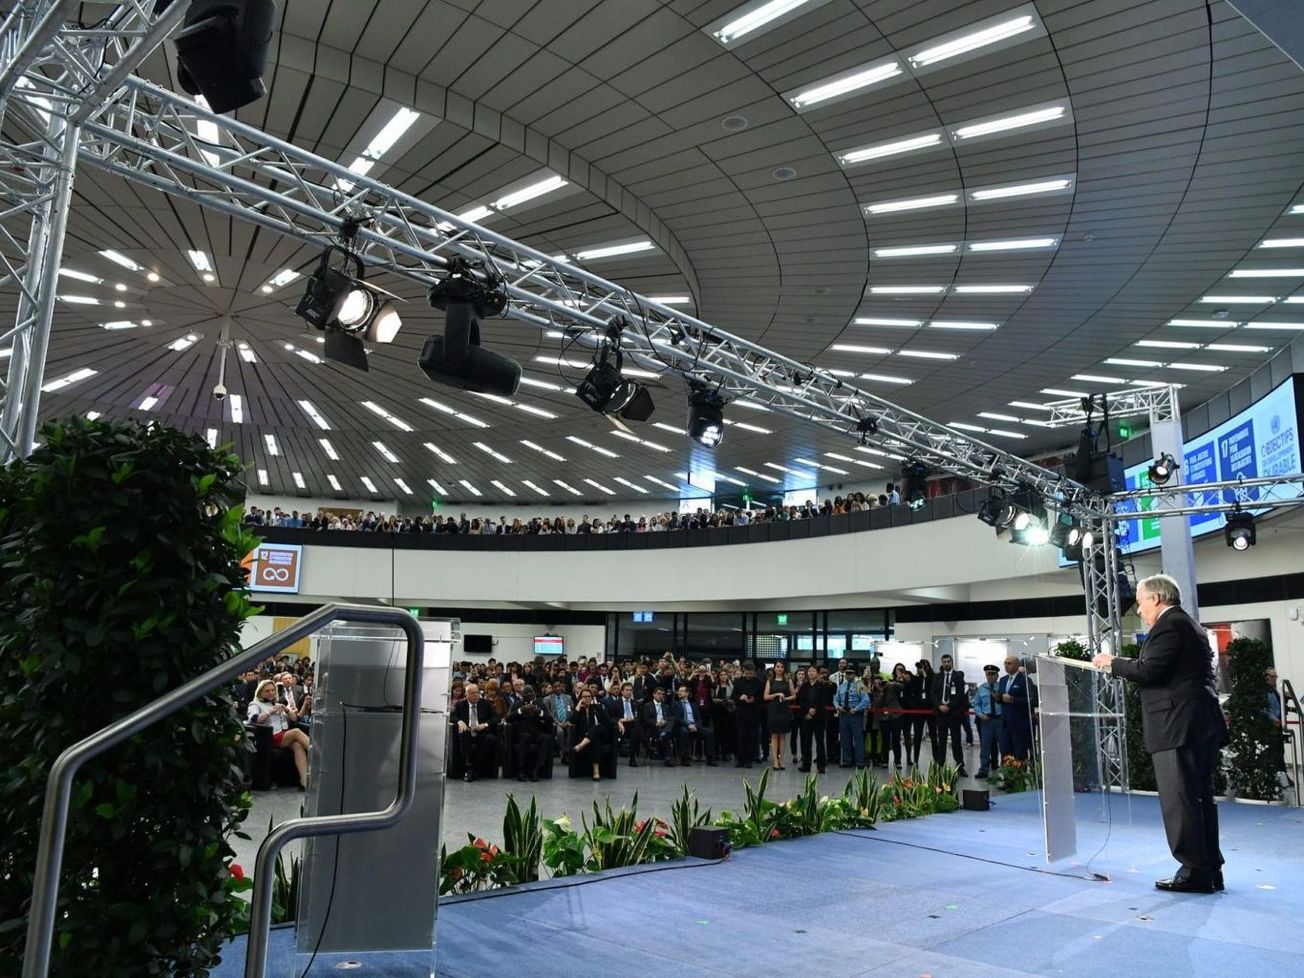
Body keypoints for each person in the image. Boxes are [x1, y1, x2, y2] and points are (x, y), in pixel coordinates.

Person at [1092, 573, 1228, 894]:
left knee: (1181, 801)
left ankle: (1194, 872)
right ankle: (1209, 869)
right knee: (1198, 800)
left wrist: (1113, 663)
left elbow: (1150, 670)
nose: (1139, 610)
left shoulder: (1170, 625)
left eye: (1140, 602)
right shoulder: (1187, 624)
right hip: (1195, 724)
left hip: (1177, 726)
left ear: (1156, 598)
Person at [247, 679, 311, 789]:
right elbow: (253, 719)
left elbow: (294, 719)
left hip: (283, 734)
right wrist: (270, 711)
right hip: (269, 736)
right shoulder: (255, 704)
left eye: (272, 690)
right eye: (267, 691)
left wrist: (287, 710)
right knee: (296, 732)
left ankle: (304, 781)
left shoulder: (277, 704)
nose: (271, 693)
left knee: (297, 745)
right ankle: (318, 754)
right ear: (260, 692)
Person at [929, 654, 968, 775]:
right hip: (941, 713)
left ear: (952, 662)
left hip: (954, 713)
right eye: (944, 661)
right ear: (942, 663)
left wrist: (949, 706)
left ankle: (960, 766)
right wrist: (939, 706)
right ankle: (940, 764)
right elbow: (933, 694)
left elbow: (960, 695)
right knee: (941, 740)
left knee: (956, 740)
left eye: (948, 661)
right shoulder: (937, 677)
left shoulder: (958, 676)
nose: (946, 663)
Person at [452, 683, 499, 782]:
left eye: (477, 692)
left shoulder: (485, 703)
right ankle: (470, 768)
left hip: (481, 731)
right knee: (464, 735)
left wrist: (485, 725)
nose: (476, 695)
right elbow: (453, 716)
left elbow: (495, 717)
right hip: (467, 731)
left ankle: (472, 769)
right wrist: (459, 722)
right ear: (467, 695)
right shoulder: (460, 704)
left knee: (490, 739)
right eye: (473, 693)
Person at [509, 686, 554, 782]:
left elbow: (550, 719)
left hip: (536, 733)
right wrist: (521, 710)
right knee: (526, 736)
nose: (529, 694)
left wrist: (540, 712)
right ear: (522, 695)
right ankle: (520, 770)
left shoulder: (540, 704)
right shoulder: (517, 704)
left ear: (534, 693)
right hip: (521, 733)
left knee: (546, 738)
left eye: (531, 692)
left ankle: (536, 770)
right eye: (526, 692)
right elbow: (508, 718)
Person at [570, 687, 612, 781]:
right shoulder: (579, 710)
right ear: (581, 698)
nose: (587, 698)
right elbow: (572, 721)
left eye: (589, 697)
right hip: (590, 737)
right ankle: (596, 771)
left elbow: (608, 719)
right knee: (595, 741)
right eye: (585, 697)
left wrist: (618, 722)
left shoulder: (597, 707)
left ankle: (581, 745)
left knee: (597, 727)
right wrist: (578, 706)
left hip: (601, 733)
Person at [995, 655, 1033, 762]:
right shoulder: (1003, 680)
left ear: (1017, 665)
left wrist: (1013, 699)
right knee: (1005, 754)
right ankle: (1007, 773)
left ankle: (1020, 773)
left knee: (1019, 755)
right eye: (1005, 663)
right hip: (1005, 724)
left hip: (1019, 725)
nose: (1006, 666)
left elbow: (1031, 700)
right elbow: (1002, 698)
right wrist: (998, 698)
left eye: (1009, 663)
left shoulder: (1025, 680)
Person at [834, 663, 869, 769]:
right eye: (847, 673)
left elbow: (866, 700)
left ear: (854, 674)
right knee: (845, 738)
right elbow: (835, 699)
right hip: (843, 714)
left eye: (850, 673)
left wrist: (856, 709)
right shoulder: (841, 686)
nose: (848, 675)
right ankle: (847, 760)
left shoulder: (860, 686)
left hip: (855, 714)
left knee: (858, 739)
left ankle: (860, 762)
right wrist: (838, 706)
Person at [972, 665, 1003, 778]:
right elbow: (976, 704)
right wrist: (981, 715)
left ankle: (1006, 769)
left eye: (992, 674)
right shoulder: (982, 688)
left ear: (997, 675)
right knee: (985, 746)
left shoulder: (1001, 687)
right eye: (988, 674)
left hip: (1000, 720)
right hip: (986, 721)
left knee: (1003, 746)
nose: (990, 676)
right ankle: (983, 769)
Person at [673, 684, 717, 766]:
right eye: (679, 691)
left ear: (687, 693)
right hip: (683, 726)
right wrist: (688, 725)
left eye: (682, 691)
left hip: (694, 726)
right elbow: (677, 718)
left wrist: (695, 726)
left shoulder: (693, 705)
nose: (679, 693)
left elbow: (699, 718)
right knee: (683, 732)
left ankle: (710, 758)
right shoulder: (675, 704)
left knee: (710, 732)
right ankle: (684, 759)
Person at [731, 662, 764, 768]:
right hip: (741, 712)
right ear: (743, 671)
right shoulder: (738, 682)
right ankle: (740, 759)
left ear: (754, 672)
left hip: (754, 713)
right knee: (741, 736)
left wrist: (754, 699)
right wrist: (740, 697)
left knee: (752, 738)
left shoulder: (759, 682)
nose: (749, 675)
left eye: (751, 673)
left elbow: (762, 698)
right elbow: (733, 696)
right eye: (747, 673)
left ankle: (749, 759)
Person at [796, 669, 829, 773]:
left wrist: (814, 709)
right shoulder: (804, 686)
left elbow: (823, 700)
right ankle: (806, 765)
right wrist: (808, 711)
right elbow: (801, 700)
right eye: (809, 671)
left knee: (820, 742)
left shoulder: (822, 686)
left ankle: (821, 766)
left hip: (819, 717)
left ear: (817, 673)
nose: (811, 673)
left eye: (813, 671)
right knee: (806, 742)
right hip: (806, 717)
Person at [765, 661, 794, 770]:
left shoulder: (788, 680)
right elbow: (765, 696)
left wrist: (785, 698)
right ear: (774, 668)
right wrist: (776, 694)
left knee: (782, 735)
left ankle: (781, 759)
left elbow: (793, 695)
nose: (780, 668)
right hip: (773, 709)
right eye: (777, 666)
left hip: (784, 708)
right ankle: (775, 760)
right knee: (774, 735)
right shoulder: (770, 681)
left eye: (782, 667)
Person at [640, 686, 678, 766]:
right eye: (659, 694)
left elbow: (668, 717)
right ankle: (668, 759)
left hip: (664, 726)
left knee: (673, 718)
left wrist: (665, 721)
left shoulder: (666, 706)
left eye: (662, 694)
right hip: (653, 728)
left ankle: (664, 733)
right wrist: (656, 723)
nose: (660, 696)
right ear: (654, 694)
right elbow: (646, 719)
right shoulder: (647, 705)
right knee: (667, 735)